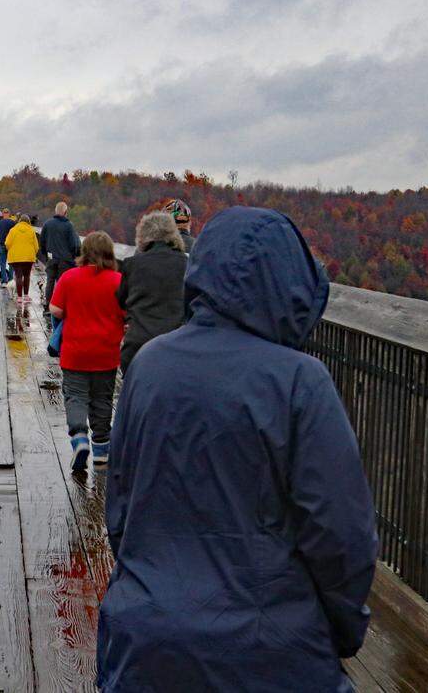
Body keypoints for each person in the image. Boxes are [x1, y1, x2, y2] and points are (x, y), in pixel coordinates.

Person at [97, 207, 378, 693]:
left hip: (148, 641)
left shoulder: (149, 364)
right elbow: (341, 536)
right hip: (273, 653)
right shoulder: (300, 381)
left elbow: (119, 507)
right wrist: (342, 629)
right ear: (292, 287)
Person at [48, 231, 123, 470]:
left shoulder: (70, 277)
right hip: (106, 353)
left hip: (75, 352)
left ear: (85, 251)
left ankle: (80, 438)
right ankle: (101, 450)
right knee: (102, 400)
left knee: (75, 397)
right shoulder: (118, 280)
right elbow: (127, 315)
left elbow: (55, 309)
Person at [115, 212, 187, 375]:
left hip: (137, 348)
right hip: (174, 348)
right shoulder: (186, 264)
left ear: (143, 235)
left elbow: (121, 300)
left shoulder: (132, 264)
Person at [39, 201, 81, 311]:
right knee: (62, 284)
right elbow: (74, 245)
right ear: (66, 212)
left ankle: (48, 305)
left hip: (51, 259)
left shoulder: (47, 224)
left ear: (55, 211)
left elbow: (42, 242)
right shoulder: (68, 225)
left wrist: (46, 256)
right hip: (65, 261)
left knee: (50, 281)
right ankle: (60, 306)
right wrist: (74, 256)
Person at [4, 213, 40, 305]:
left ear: (19, 221)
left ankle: (19, 297)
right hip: (28, 258)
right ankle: (26, 296)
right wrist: (33, 254)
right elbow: (36, 246)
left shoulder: (13, 230)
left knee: (18, 276)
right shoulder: (31, 230)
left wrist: (12, 250)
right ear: (28, 221)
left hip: (16, 258)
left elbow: (7, 243)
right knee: (27, 276)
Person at [0, 210, 17, 286]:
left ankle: (4, 281)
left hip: (2, 245)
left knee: (2, 263)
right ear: (9, 214)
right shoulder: (13, 223)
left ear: (2, 214)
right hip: (11, 246)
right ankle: (11, 279)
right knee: (11, 263)